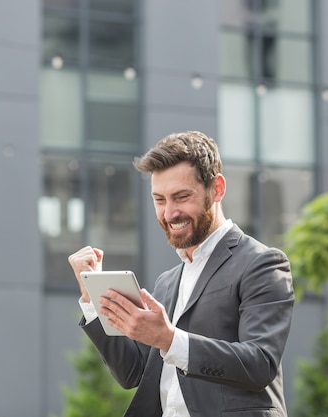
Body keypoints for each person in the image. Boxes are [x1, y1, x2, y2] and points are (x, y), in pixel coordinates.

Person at [68, 130, 295, 417]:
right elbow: (132, 373)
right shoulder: (167, 282)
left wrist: (170, 339)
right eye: (159, 200)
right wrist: (92, 299)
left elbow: (260, 363)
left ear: (217, 189)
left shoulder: (262, 264)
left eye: (181, 196)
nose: (169, 213)